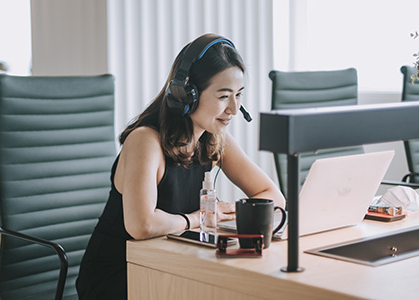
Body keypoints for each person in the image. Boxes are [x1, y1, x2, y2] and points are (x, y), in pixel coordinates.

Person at [75, 33, 285, 299]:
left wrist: (231, 212)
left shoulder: (214, 138)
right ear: (186, 95)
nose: (233, 108)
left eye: (239, 95)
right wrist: (199, 218)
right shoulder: (145, 140)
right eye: (223, 96)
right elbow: (141, 225)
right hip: (120, 274)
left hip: (173, 265)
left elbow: (271, 195)